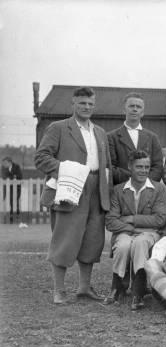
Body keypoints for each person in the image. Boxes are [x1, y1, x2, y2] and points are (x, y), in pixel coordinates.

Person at [34, 86, 112, 304]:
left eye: (90, 104)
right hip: (70, 186)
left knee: (93, 239)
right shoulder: (58, 128)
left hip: (96, 187)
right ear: (73, 104)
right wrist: (68, 171)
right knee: (65, 238)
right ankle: (59, 290)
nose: (86, 107)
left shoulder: (99, 132)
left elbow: (108, 165)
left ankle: (84, 288)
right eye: (82, 103)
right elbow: (41, 157)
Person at [104, 150, 166, 309]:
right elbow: (111, 221)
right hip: (124, 232)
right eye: (139, 167)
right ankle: (117, 287)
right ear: (130, 166)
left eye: (146, 167)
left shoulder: (158, 188)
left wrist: (132, 219)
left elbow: (160, 219)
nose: (144, 171)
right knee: (124, 245)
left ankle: (138, 291)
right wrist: (132, 228)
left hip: (149, 234)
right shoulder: (119, 190)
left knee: (140, 242)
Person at [107, 92, 164, 184]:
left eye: (138, 107)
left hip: (148, 191)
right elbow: (110, 167)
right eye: (131, 106)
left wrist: (145, 184)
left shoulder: (153, 138)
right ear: (124, 110)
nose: (135, 109)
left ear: (142, 113)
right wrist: (133, 181)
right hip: (122, 189)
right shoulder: (111, 137)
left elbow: (158, 166)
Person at [1, 156, 23, 223]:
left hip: (17, 187)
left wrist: (13, 176)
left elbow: (20, 176)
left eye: (5, 163)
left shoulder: (16, 167)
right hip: (7, 187)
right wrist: (13, 176)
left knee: (15, 200)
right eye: (3, 163)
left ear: (9, 162)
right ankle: (10, 215)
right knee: (9, 200)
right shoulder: (3, 167)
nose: (4, 164)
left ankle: (16, 214)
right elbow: (3, 176)